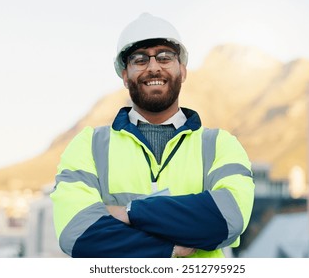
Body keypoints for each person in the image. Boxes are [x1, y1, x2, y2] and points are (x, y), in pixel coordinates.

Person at [50, 13, 255, 258]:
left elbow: (227, 219)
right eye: (140, 59)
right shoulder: (89, 146)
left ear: (183, 70)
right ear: (125, 75)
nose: (154, 66)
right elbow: (77, 233)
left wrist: (127, 212)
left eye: (165, 57)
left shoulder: (220, 145)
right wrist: (169, 249)